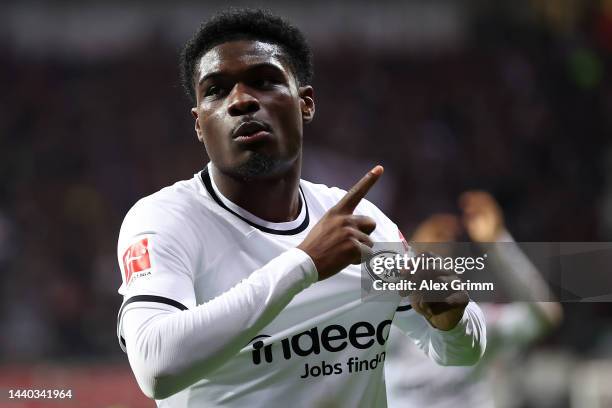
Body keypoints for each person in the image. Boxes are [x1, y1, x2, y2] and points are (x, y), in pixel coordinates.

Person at [115, 9, 486, 407]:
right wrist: (305, 262)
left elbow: (458, 353)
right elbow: (157, 368)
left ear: (305, 103)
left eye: (263, 81)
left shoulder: (364, 226)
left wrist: (452, 321)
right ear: (199, 124)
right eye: (217, 91)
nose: (241, 100)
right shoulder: (164, 221)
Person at [385, 191, 563, 408]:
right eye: (427, 249)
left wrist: (498, 244)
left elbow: (545, 316)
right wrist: (410, 253)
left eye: (448, 249)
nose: (438, 253)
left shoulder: (482, 323)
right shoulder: (391, 321)